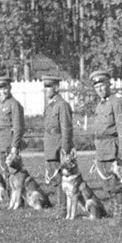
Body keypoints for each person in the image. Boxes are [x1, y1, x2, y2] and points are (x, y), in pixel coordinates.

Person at [89, 70, 122, 226]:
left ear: (109, 85)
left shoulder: (116, 103)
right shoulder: (100, 105)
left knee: (116, 186)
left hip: (113, 151)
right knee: (108, 186)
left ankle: (121, 218)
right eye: (97, 86)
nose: (100, 89)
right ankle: (115, 214)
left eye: (102, 85)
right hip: (102, 150)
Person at [42, 74, 75, 216]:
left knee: (61, 178)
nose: (46, 89)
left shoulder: (63, 105)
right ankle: (60, 206)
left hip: (58, 147)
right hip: (49, 145)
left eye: (49, 86)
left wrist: (65, 150)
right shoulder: (50, 106)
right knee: (55, 179)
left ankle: (62, 209)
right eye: (45, 87)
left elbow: (66, 129)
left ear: (56, 88)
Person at [0, 75, 25, 171]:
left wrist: (15, 146)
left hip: (9, 143)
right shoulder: (1, 104)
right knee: (5, 170)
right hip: (2, 143)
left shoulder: (14, 104)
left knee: (13, 172)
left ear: (10, 87)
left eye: (5, 88)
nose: (3, 91)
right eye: (1, 88)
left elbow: (18, 127)